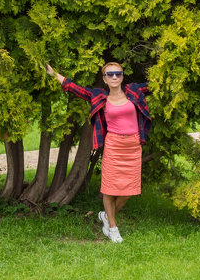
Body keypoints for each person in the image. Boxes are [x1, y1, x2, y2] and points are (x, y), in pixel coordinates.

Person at [47, 61, 151, 243]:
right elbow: (75, 89)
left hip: (133, 146)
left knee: (129, 190)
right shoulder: (99, 96)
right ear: (104, 78)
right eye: (110, 74)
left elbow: (156, 84)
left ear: (122, 76)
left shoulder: (134, 91)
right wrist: (55, 74)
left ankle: (105, 216)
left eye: (117, 73)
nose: (114, 77)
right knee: (109, 190)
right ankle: (113, 227)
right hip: (113, 146)